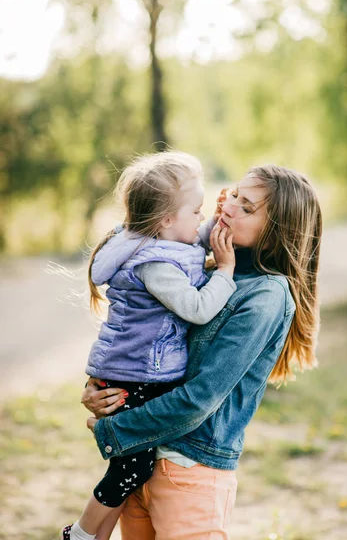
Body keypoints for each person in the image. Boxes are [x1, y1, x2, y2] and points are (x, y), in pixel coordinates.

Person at [82, 164, 322, 540]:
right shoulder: (204, 264)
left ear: (275, 232)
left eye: (246, 207)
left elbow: (199, 399)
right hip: (139, 463)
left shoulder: (265, 295)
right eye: (234, 194)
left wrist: (115, 427)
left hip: (188, 471)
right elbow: (142, 338)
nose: (227, 206)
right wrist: (103, 389)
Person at [61, 151, 238, 540]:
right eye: (198, 211)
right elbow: (197, 308)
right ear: (166, 221)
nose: (201, 218)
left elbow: (195, 238)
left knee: (132, 464)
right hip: (135, 372)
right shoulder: (154, 264)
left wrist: (222, 217)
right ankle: (81, 534)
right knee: (132, 468)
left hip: (139, 368)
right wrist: (224, 271)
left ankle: (90, 535)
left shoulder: (167, 240)